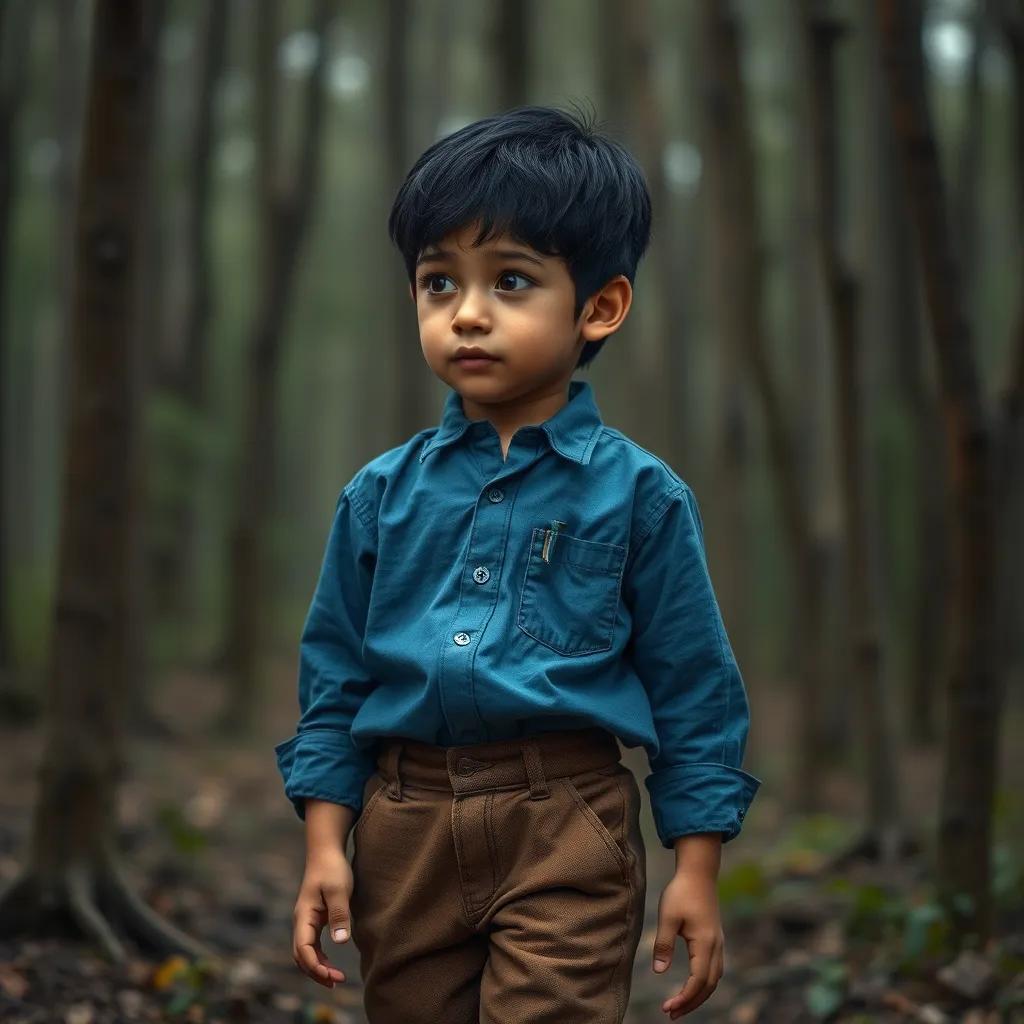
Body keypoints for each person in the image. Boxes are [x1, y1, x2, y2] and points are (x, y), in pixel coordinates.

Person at [274, 103, 762, 1023]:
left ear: (600, 306)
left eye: (510, 281)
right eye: (437, 283)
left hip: (566, 822)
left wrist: (696, 869)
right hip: (403, 829)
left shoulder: (642, 497)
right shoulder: (379, 497)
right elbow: (334, 682)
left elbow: (694, 688)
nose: (466, 313)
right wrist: (326, 846)